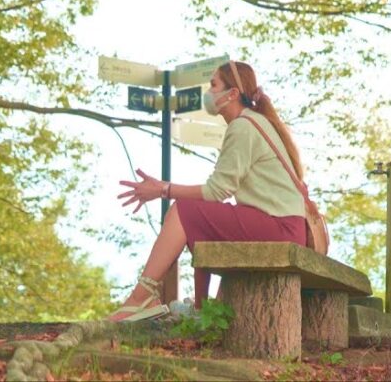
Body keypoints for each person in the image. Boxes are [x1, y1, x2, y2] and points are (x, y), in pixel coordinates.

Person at [109, 60, 308, 321]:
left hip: (280, 228)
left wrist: (163, 189)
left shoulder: (244, 126)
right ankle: (199, 310)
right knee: (194, 214)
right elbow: (219, 193)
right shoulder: (253, 122)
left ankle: (141, 297)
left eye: (214, 85)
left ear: (232, 93)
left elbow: (217, 191)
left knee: (183, 211)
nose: (209, 92)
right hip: (285, 228)